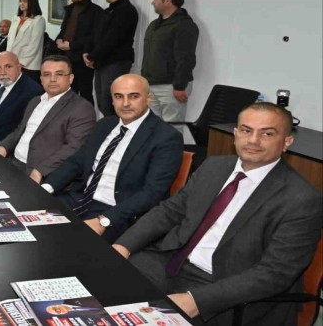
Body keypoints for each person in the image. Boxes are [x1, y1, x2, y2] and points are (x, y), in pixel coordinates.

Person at [113, 102, 322, 325]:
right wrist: (124, 245)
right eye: (246, 130)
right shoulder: (214, 166)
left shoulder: (301, 199)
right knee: (102, 288)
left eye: (267, 133)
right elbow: (170, 211)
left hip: (227, 289)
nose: (253, 140)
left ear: (287, 142)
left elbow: (274, 273)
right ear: (236, 134)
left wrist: (195, 301)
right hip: (171, 261)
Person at [41, 74, 183, 242]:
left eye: (134, 96)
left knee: (64, 243)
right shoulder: (104, 125)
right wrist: (46, 188)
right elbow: (77, 161)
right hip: (80, 198)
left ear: (148, 98)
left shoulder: (166, 137)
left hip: (118, 212)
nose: (125, 103)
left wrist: (105, 220)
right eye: (118, 96)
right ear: (112, 100)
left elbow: (152, 193)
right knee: (29, 220)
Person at [0, 55, 95, 182]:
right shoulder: (36, 101)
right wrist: (3, 147)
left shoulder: (82, 108)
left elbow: (73, 147)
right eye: (47, 74)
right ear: (41, 79)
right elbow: (20, 130)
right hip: (11, 162)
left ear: (71, 78)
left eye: (59, 74)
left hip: (41, 174)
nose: (52, 79)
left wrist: (40, 170)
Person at [141, 0, 199, 122]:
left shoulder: (185, 25)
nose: (153, 2)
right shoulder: (154, 25)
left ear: (167, 0)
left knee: (172, 127)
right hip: (150, 84)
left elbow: (186, 58)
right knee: (151, 125)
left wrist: (179, 86)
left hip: (171, 87)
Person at [83, 0, 138, 116]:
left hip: (115, 63)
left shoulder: (126, 11)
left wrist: (92, 56)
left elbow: (112, 40)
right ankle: (109, 127)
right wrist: (88, 53)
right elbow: (96, 34)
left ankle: (116, 128)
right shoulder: (109, 10)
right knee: (102, 101)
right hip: (102, 61)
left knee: (111, 102)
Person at [56, 0, 106, 105]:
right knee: (68, 92)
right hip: (66, 58)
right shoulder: (70, 9)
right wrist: (59, 39)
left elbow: (94, 37)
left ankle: (87, 117)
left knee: (85, 94)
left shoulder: (96, 11)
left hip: (83, 59)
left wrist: (71, 45)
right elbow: (64, 29)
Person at [7, 0, 45, 82]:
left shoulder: (38, 20)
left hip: (29, 65)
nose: (21, 4)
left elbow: (34, 45)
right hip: (13, 61)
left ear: (32, 2)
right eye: (20, 1)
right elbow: (10, 40)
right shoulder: (15, 18)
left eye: (25, 1)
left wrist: (22, 63)